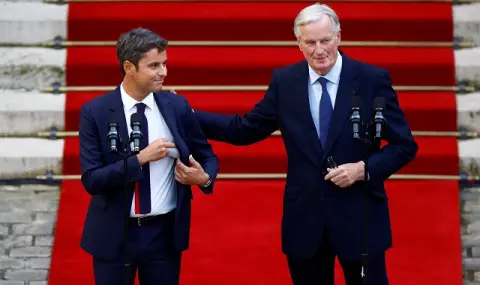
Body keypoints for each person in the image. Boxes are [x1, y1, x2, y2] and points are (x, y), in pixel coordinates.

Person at [193, 3, 417, 285]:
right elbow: (244, 130)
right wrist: (188, 115)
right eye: (310, 42)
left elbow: (404, 145)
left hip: (360, 218)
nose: (319, 50)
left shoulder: (372, 80)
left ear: (338, 37)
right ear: (298, 43)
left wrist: (363, 169)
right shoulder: (286, 81)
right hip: (306, 221)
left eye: (325, 40)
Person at [78, 27, 218, 285]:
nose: (163, 72)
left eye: (164, 64)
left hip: (164, 236)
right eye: (154, 65)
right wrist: (139, 160)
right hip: (114, 235)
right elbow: (91, 180)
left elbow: (207, 154)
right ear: (129, 67)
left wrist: (204, 178)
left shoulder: (177, 106)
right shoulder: (95, 112)